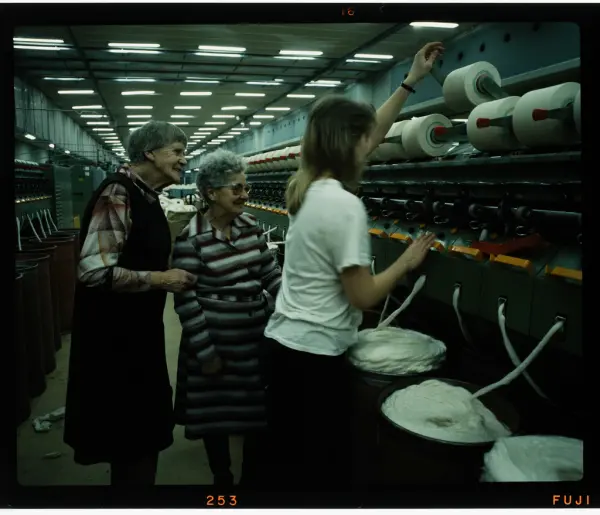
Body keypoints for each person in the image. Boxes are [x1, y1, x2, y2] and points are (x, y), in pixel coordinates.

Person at [264, 42, 444, 490]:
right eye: (366, 139)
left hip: (286, 347)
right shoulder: (345, 207)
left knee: (287, 460)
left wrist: (410, 82)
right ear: (352, 143)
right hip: (315, 360)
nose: (373, 143)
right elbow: (362, 297)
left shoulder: (306, 189)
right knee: (322, 470)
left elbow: (372, 133)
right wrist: (405, 262)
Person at [63, 121, 198, 486]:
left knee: (141, 435)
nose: (184, 160)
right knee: (130, 437)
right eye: (177, 152)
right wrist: (160, 279)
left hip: (137, 336)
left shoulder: (146, 196)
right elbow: (95, 271)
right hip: (115, 344)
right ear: (149, 153)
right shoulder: (117, 194)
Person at [172, 149, 282, 487]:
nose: (244, 195)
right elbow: (186, 302)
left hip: (252, 340)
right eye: (236, 188)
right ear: (211, 192)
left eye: (245, 188)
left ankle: (250, 480)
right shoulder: (191, 239)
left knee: (254, 412)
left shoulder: (250, 227)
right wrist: (205, 354)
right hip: (214, 342)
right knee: (215, 414)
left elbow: (270, 275)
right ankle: (222, 476)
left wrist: (294, 306)